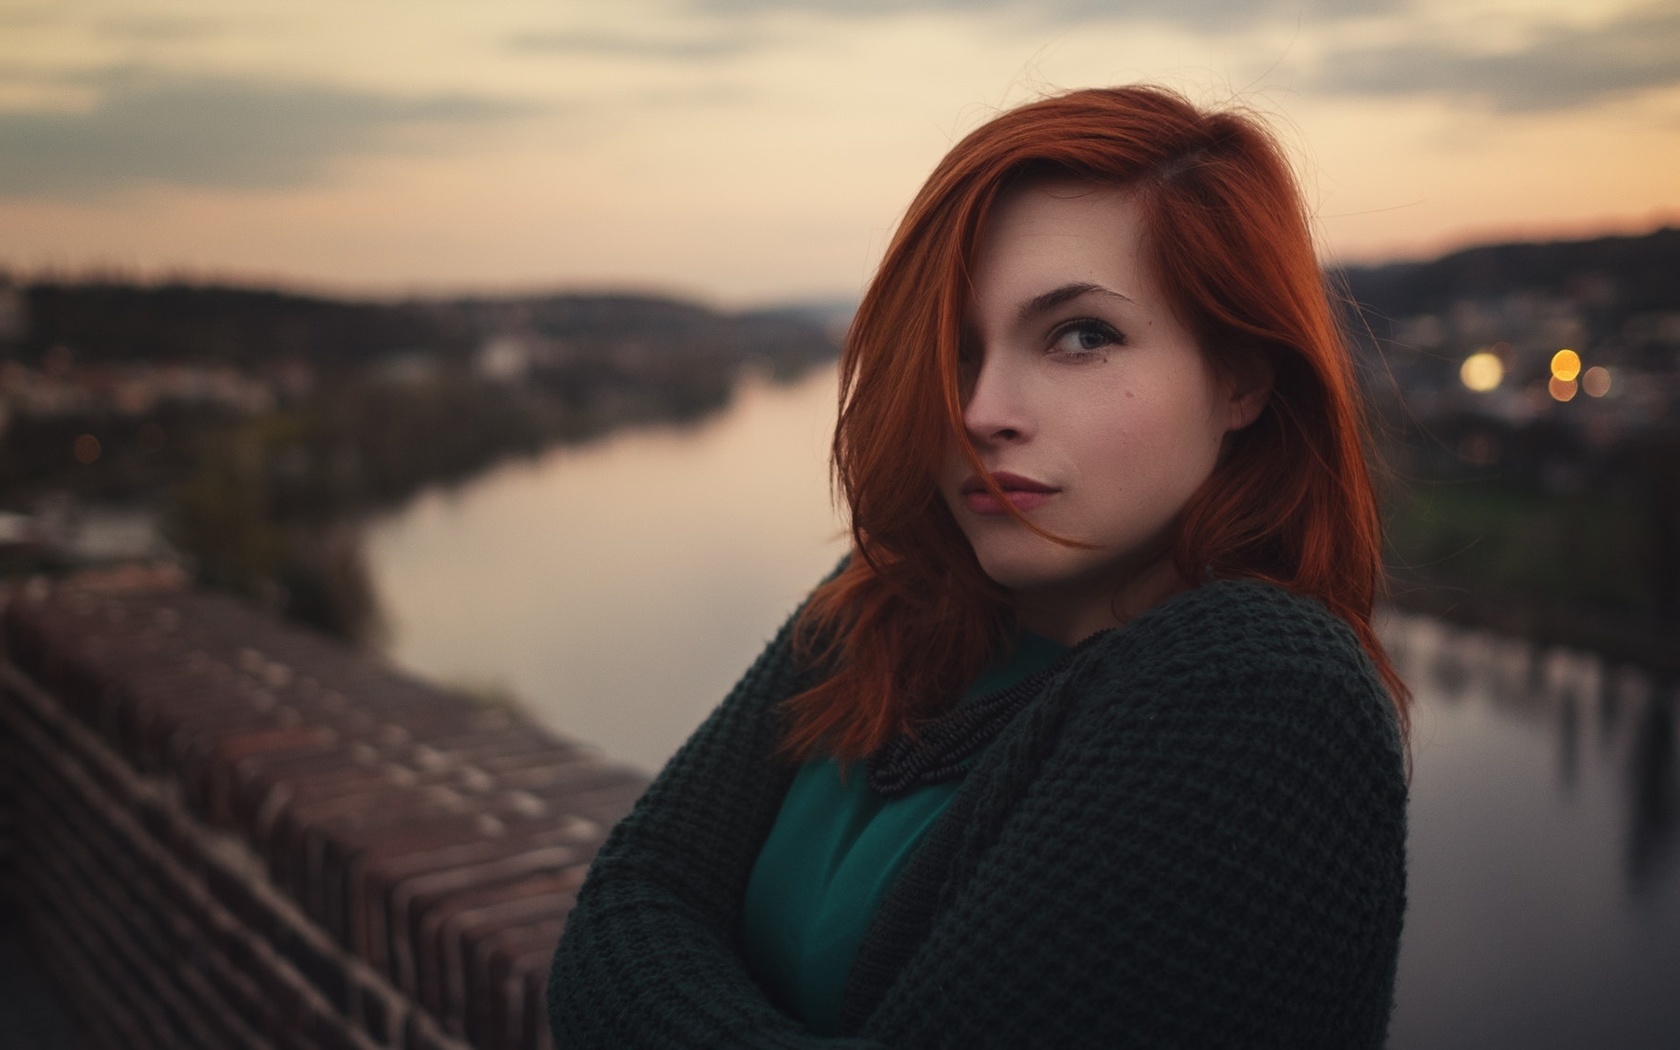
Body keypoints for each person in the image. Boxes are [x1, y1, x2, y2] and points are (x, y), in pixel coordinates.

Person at [548, 84, 1409, 1049]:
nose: (980, 409)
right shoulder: (881, 608)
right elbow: (629, 900)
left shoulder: (1265, 690)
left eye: (1082, 335)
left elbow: (637, 955)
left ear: (1242, 376)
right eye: (955, 351)